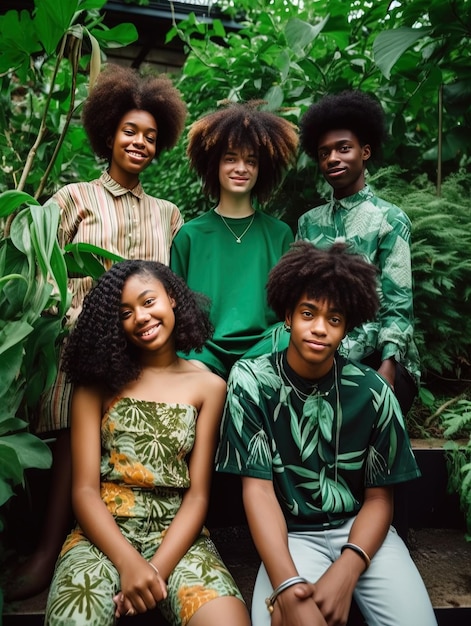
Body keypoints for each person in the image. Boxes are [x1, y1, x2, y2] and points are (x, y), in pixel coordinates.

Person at [6, 63, 187, 601]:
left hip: (145, 347)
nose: (140, 143)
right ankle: (46, 551)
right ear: (109, 132)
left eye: (151, 137)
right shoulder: (72, 199)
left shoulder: (168, 214)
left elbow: (170, 291)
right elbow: (40, 271)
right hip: (76, 347)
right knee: (69, 438)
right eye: (131, 131)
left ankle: (133, 548)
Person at [216, 241, 437, 626]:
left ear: (346, 328)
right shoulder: (251, 382)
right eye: (307, 313)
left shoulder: (372, 392)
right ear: (287, 315)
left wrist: (349, 567)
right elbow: (258, 491)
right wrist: (286, 584)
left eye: (334, 319)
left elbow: (380, 498)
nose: (319, 328)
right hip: (290, 534)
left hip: (363, 531)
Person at [45, 260, 250, 626]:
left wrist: (153, 571)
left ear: (171, 299)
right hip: (101, 536)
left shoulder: (210, 387)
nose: (140, 317)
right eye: (126, 313)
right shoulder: (96, 385)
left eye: (148, 301)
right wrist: (127, 562)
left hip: (178, 538)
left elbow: (199, 495)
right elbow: (84, 492)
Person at [297, 90, 420, 417]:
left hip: (379, 361)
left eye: (343, 148)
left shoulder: (389, 220)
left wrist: (388, 368)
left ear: (365, 152)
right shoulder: (308, 224)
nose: (332, 158)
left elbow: (399, 302)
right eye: (324, 153)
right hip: (319, 355)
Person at [170, 101, 298, 379]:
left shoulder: (280, 234)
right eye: (231, 158)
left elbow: (291, 311)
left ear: (261, 168)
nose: (241, 168)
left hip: (266, 346)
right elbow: (176, 312)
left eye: (251, 160)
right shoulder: (189, 236)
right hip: (203, 350)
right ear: (213, 163)